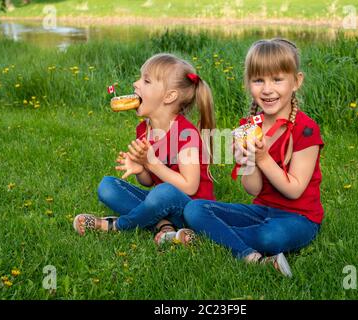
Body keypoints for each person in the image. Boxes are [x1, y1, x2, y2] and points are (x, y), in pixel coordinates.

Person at [183, 38, 325, 277]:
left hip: (300, 218)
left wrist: (262, 158)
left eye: (277, 79)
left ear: (296, 82)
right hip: (262, 211)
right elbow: (253, 189)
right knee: (195, 209)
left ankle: (214, 237)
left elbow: (294, 190)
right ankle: (251, 256)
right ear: (248, 84)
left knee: (270, 236)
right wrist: (249, 161)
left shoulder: (306, 129)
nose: (267, 89)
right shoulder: (248, 127)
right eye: (258, 80)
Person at [73, 53, 216, 245]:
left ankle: (116, 225)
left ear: (169, 96)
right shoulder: (143, 130)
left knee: (163, 192)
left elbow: (190, 185)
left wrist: (151, 163)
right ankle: (164, 226)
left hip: (191, 210)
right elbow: (149, 182)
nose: (135, 83)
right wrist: (141, 169)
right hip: (160, 204)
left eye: (146, 81)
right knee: (108, 187)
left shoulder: (185, 133)